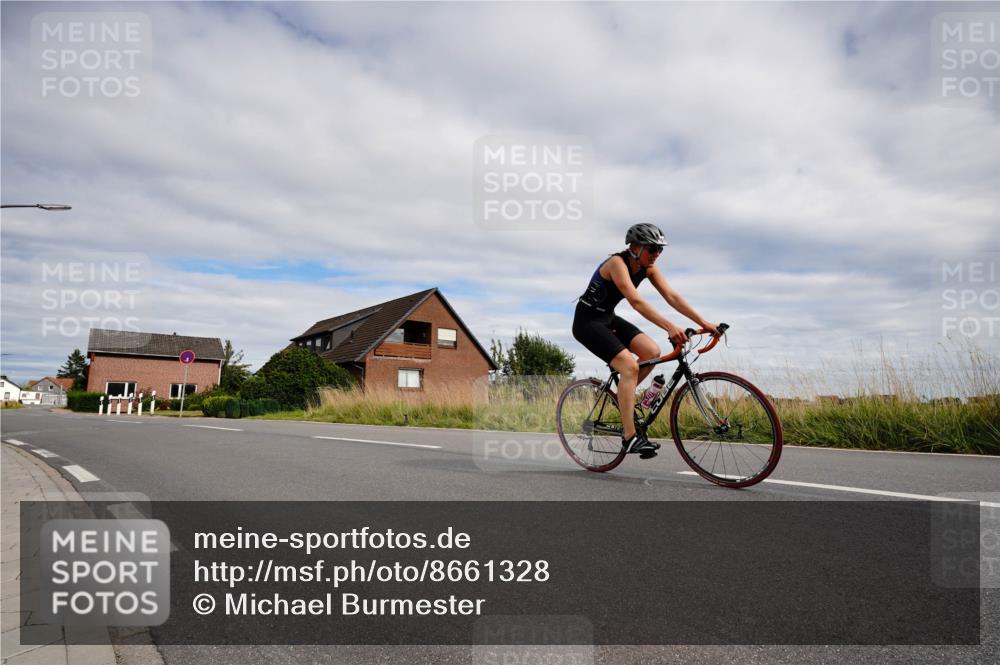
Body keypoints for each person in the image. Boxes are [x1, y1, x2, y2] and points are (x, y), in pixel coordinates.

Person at [573, 223, 719, 458]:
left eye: (660, 250)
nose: (656, 255)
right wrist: (670, 326)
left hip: (608, 318)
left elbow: (672, 296)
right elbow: (636, 302)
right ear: (635, 247)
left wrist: (704, 323)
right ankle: (629, 438)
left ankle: (625, 400)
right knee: (629, 366)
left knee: (652, 351)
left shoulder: (648, 267)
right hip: (587, 323)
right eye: (652, 249)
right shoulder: (616, 264)